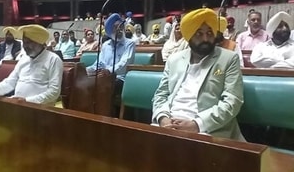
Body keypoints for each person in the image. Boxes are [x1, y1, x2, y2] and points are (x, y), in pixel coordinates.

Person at [152, 8, 245, 140]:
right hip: (168, 124)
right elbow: (161, 94)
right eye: (199, 34)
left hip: (207, 130)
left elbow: (232, 101)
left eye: (209, 33)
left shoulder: (229, 59)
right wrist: (163, 118)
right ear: (189, 36)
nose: (206, 38)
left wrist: (196, 124)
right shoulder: (174, 59)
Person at [0, 25, 63, 105]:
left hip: (41, 109)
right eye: (24, 42)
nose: (25, 46)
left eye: (29, 42)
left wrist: (27, 101)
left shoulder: (53, 59)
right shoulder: (23, 59)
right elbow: (9, 83)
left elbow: (54, 92)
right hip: (18, 105)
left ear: (40, 43)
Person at [86, 13, 136, 115]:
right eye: (115, 27)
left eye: (121, 26)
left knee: (103, 86)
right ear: (109, 31)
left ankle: (107, 117)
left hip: (121, 78)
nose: (119, 29)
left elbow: (124, 63)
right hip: (103, 76)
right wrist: (87, 70)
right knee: (84, 83)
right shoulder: (105, 45)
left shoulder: (130, 43)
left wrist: (108, 70)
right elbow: (99, 63)